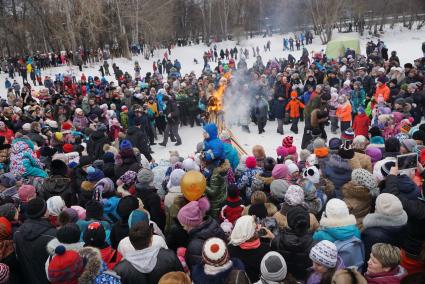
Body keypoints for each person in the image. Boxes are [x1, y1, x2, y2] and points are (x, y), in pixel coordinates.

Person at [114, 221, 183, 283]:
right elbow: (182, 278)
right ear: (151, 240)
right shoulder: (169, 256)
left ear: (131, 242)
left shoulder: (120, 269)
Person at [14, 198, 57, 284]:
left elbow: (19, 257)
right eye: (47, 208)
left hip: (29, 278)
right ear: (44, 213)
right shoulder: (53, 235)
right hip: (48, 279)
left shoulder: (17, 233)